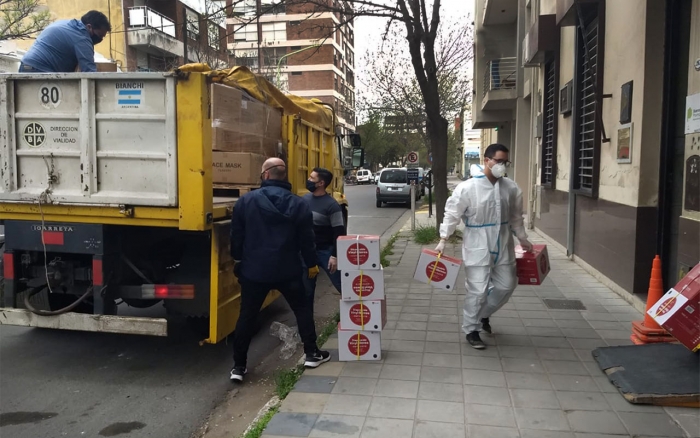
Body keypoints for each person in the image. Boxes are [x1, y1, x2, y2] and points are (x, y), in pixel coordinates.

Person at [229, 158, 330, 382]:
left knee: (247, 316)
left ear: (265, 175)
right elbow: (307, 240)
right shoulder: (299, 204)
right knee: (302, 309)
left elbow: (237, 237)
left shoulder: (245, 202)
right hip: (288, 270)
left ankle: (239, 367)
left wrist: (238, 260)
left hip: (254, 271)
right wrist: (312, 264)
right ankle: (312, 353)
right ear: (283, 176)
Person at [436, 144, 533, 350]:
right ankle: (471, 329)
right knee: (477, 290)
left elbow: (516, 218)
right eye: (498, 161)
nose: (502, 165)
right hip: (477, 242)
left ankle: (483, 315)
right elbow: (452, 213)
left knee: (507, 285)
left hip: (503, 241)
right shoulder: (468, 188)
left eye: (505, 162)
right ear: (486, 160)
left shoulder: (511, 187)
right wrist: (443, 239)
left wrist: (524, 241)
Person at [302, 168, 345, 314]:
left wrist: (334, 255)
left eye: (311, 178)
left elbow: (339, 232)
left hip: (326, 253)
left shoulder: (332, 206)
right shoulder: (304, 200)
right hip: (308, 254)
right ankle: (307, 331)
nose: (308, 180)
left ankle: (355, 316)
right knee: (306, 293)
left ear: (321, 183)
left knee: (342, 286)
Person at [19, 11, 111, 73]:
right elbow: (89, 70)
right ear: (89, 27)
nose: (100, 40)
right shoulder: (82, 38)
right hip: (40, 70)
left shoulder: (66, 24)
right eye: (99, 35)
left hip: (25, 65)